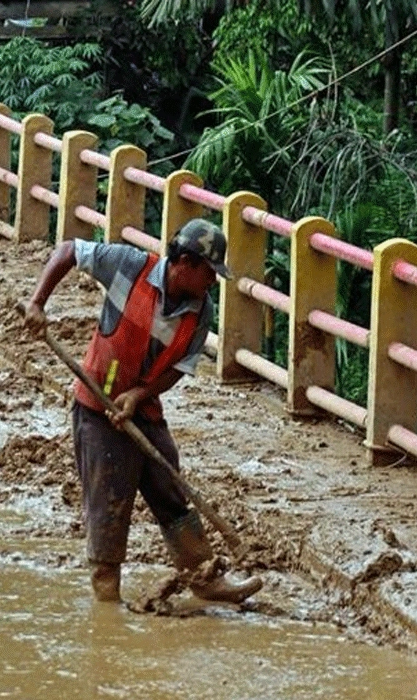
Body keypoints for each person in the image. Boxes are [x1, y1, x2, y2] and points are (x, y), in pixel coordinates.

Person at [23, 219, 263, 604]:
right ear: (184, 263)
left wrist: (140, 394)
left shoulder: (201, 310)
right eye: (209, 272)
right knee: (108, 506)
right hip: (97, 406)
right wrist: (38, 303)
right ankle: (107, 601)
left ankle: (204, 576)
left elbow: (180, 366)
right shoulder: (129, 265)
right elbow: (68, 250)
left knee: (170, 487)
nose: (212, 281)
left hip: (144, 408)